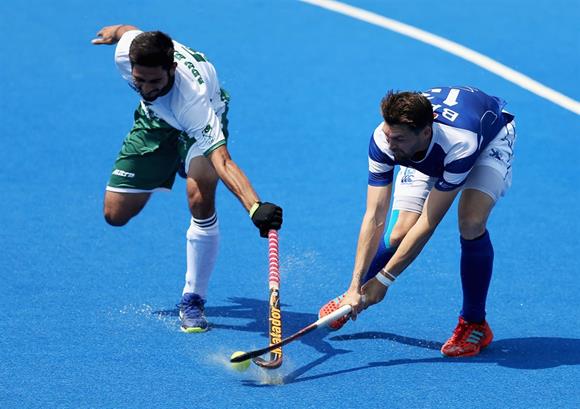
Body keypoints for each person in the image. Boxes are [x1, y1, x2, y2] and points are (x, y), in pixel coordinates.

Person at [92, 25, 283, 333]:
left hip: (200, 125)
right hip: (155, 123)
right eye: (139, 80)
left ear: (172, 68)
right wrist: (113, 31)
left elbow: (223, 160)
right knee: (115, 215)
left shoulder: (193, 103)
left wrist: (255, 207)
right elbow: (127, 31)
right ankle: (169, 161)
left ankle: (193, 299)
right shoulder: (125, 54)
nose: (146, 87)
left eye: (155, 81)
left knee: (199, 195)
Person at [319, 86, 516, 357]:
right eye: (389, 135)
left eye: (397, 138)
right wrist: (356, 287)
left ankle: (474, 323)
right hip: (426, 149)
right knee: (398, 232)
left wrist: (385, 280)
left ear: (425, 132)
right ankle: (352, 297)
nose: (390, 144)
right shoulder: (384, 138)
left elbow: (428, 221)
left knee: (471, 222)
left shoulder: (462, 144)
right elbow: (374, 215)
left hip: (487, 141)